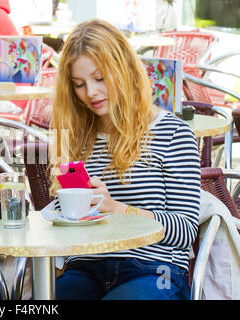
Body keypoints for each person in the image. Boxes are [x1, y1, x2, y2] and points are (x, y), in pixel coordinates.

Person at [50, 19, 200, 300]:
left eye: (100, 78)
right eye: (79, 84)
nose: (90, 93)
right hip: (87, 266)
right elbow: (63, 218)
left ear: (124, 69)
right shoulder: (71, 136)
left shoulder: (172, 133)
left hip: (156, 270)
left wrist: (117, 209)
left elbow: (185, 231)